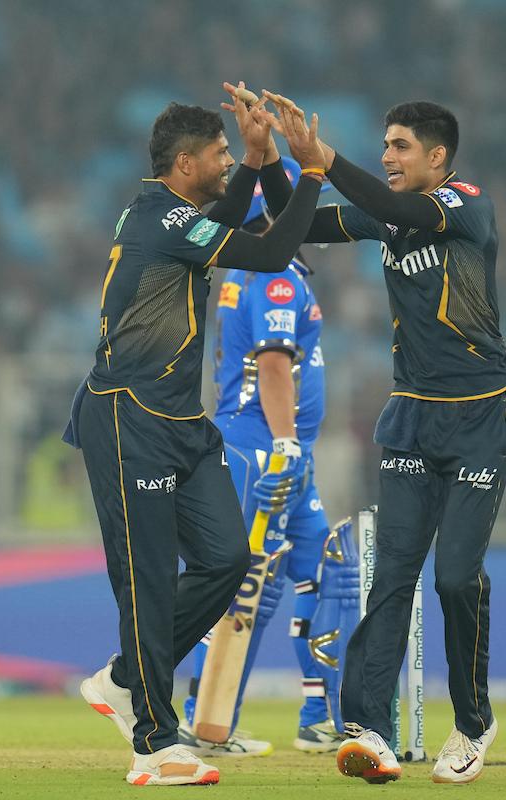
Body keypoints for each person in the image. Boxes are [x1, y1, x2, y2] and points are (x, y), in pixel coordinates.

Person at [62, 88, 328, 786]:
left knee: (224, 559)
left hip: (180, 422)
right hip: (129, 418)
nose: (224, 163)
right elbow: (270, 250)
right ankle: (153, 742)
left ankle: (124, 680)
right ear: (185, 164)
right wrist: (312, 174)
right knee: (147, 582)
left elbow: (230, 216)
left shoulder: (167, 212)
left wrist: (253, 157)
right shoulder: (163, 219)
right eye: (216, 155)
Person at [259, 93, 506, 785]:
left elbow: (405, 210)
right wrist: (273, 163)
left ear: (438, 156)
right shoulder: (388, 214)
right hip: (410, 418)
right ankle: (368, 728)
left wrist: (326, 157)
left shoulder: (466, 203)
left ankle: (472, 723)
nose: (388, 155)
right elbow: (297, 226)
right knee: (391, 580)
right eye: (385, 146)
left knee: (456, 578)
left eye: (401, 146)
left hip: (478, 416)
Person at [178, 156, 346, 757]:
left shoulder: (263, 273)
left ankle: (321, 715)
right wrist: (284, 446)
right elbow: (274, 365)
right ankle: (205, 722)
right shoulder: (277, 280)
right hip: (261, 449)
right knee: (247, 586)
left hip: (283, 452)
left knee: (329, 574)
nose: (314, 220)